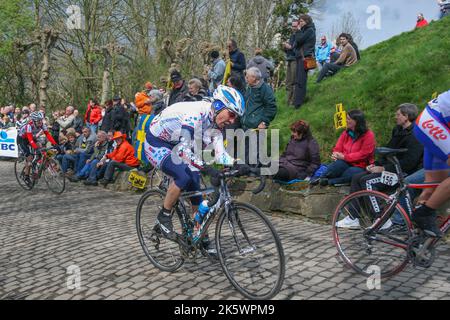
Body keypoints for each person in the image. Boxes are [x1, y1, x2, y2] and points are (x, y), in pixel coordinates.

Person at [144, 85, 244, 242]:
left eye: (235, 117)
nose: (232, 121)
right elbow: (183, 151)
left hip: (178, 144)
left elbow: (221, 156)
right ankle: (164, 215)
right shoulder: (196, 114)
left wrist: (244, 166)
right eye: (231, 114)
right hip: (157, 143)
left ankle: (199, 237)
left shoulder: (216, 123)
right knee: (183, 176)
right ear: (218, 106)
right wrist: (208, 169)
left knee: (196, 192)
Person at [337, 104, 424, 229]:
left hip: (402, 172)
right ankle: (353, 217)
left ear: (406, 117)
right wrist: (375, 164)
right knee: (357, 177)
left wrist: (384, 169)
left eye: (398, 114)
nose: (395, 117)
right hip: (391, 167)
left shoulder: (416, 135)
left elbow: (409, 163)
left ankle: (380, 218)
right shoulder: (398, 130)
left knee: (368, 182)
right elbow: (388, 150)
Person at [412, 90, 450, 237]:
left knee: (430, 189)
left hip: (438, 122)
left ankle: (417, 239)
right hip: (433, 121)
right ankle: (423, 215)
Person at [311, 110, 376, 186]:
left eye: (348, 119)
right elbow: (338, 147)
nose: (346, 120)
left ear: (356, 121)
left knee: (350, 173)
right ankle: (319, 178)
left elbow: (363, 154)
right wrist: (335, 154)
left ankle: (330, 182)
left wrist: (345, 157)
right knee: (335, 167)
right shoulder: (346, 133)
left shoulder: (368, 135)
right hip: (345, 161)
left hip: (361, 165)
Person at [241, 67, 277, 166]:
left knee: (255, 151)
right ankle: (246, 170)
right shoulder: (249, 88)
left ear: (254, 77)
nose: (246, 78)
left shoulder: (265, 89)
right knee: (246, 149)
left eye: (247, 76)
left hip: (257, 126)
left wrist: (264, 122)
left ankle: (255, 172)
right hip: (246, 125)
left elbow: (271, 107)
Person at [284, 14, 316, 109]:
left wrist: (298, 31)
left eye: (301, 21)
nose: (300, 23)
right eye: (299, 21)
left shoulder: (309, 30)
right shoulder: (304, 30)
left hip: (304, 57)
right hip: (300, 57)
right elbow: (296, 44)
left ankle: (298, 103)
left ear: (307, 21)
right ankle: (296, 102)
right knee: (298, 80)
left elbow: (300, 40)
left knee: (301, 80)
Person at [17, 112, 59, 182]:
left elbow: (48, 135)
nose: (40, 122)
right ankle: (26, 176)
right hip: (22, 139)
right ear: (33, 121)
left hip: (31, 137)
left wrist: (55, 144)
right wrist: (36, 148)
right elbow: (30, 140)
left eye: (41, 120)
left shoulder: (42, 124)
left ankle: (36, 164)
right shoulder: (29, 126)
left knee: (41, 148)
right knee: (29, 157)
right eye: (38, 120)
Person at [283, 20, 300, 107]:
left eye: (295, 26)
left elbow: (297, 50)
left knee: (293, 80)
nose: (293, 28)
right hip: (289, 59)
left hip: (295, 60)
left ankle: (293, 101)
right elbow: (288, 50)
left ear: (298, 26)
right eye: (292, 26)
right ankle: (288, 102)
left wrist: (290, 47)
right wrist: (285, 47)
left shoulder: (299, 35)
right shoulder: (292, 36)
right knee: (288, 81)